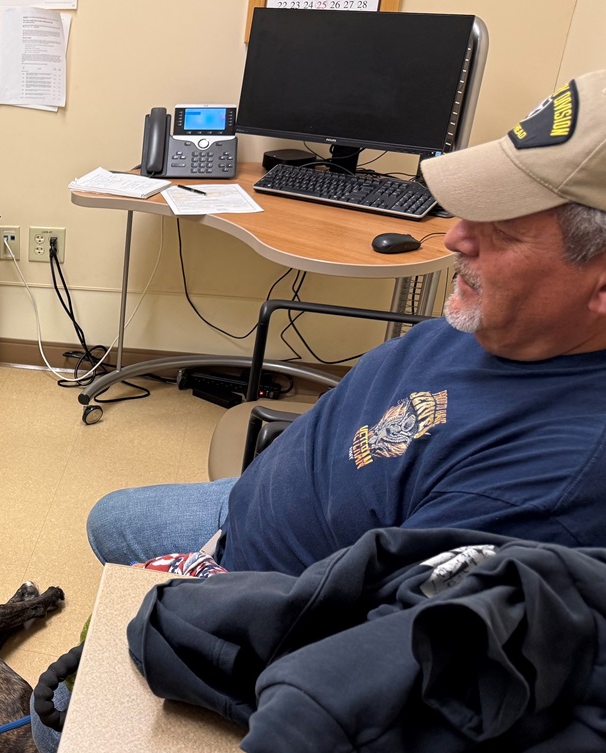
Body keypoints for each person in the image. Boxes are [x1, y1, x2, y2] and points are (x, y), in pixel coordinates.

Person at [87, 70, 606, 578]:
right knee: (109, 520)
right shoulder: (513, 322)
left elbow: (351, 641)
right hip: (258, 500)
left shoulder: (540, 490)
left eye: (507, 232)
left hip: (258, 585)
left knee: (112, 537)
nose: (454, 239)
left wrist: (198, 606)